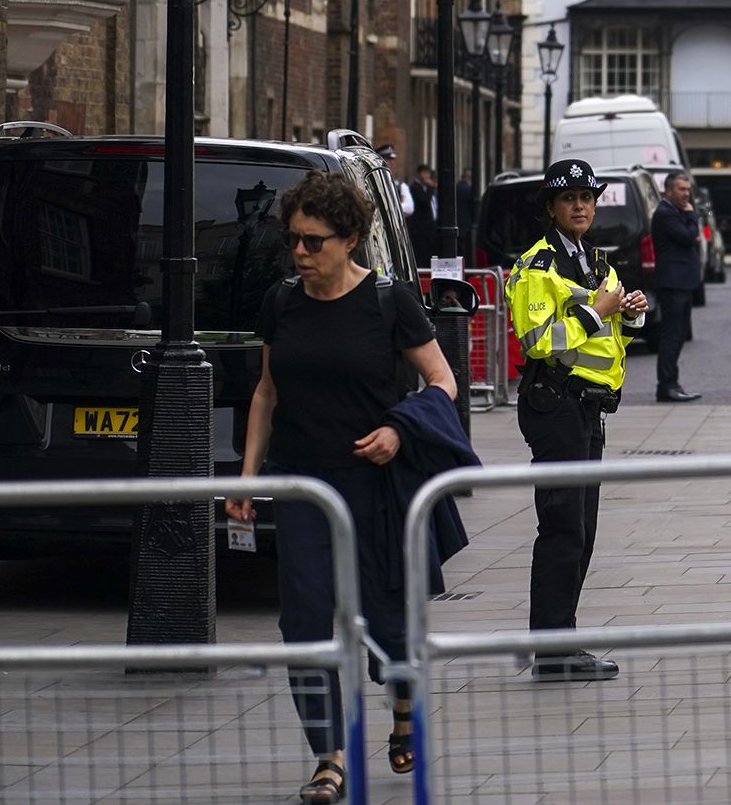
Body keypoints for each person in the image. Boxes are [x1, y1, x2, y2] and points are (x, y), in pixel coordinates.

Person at [229, 171, 465, 804]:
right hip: (303, 485)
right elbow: (266, 393)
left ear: (351, 238)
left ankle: (403, 707)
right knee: (303, 619)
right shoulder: (281, 301)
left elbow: (443, 381)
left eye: (314, 242)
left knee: (389, 621)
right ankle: (329, 755)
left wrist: (398, 428)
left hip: (376, 486)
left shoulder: (389, 302)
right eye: (294, 241)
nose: (301, 254)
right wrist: (247, 479)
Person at [505, 159, 650, 681]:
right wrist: (599, 311)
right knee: (562, 528)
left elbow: (614, 340)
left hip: (587, 407)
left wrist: (629, 312)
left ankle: (562, 641)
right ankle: (552, 649)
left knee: (581, 530)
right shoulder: (536, 267)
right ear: (551, 207)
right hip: (554, 402)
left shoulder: (596, 263)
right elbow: (538, 341)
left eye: (588, 197)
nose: (581, 205)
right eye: (569, 198)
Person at [651, 170, 703, 402]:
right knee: (671, 336)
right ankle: (666, 386)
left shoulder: (675, 211)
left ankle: (673, 383)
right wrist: (691, 217)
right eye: (681, 190)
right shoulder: (665, 213)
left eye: (688, 189)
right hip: (673, 285)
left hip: (682, 283)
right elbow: (688, 236)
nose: (686, 194)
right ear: (668, 190)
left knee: (680, 335)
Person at [406, 165, 438, 267]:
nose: (427, 176)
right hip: (420, 231)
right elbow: (424, 201)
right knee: (421, 257)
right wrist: (431, 188)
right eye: (425, 173)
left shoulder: (426, 188)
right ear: (420, 174)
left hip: (428, 229)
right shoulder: (415, 187)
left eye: (428, 173)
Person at [379, 145, 414, 220]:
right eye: (387, 159)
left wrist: (388, 207)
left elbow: (409, 207)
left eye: (392, 160)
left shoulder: (400, 185)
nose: (391, 163)